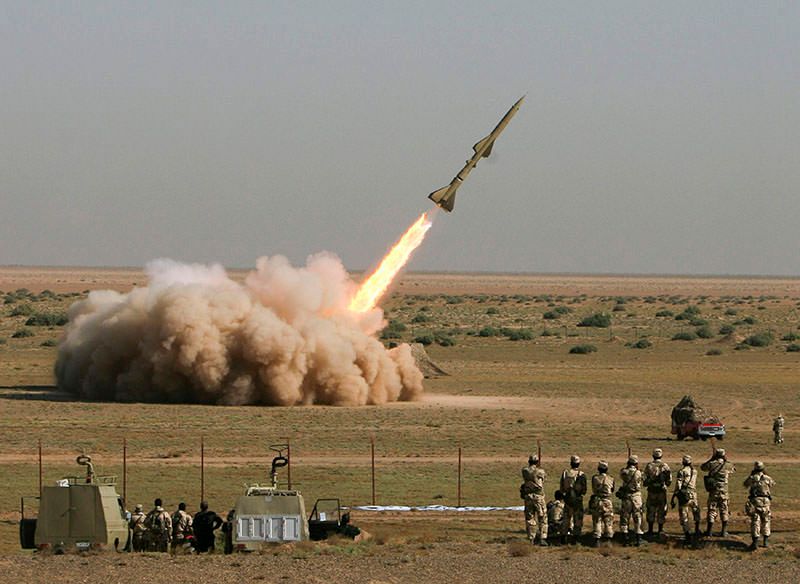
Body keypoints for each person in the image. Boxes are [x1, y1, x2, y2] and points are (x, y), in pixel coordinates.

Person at [700, 448, 735, 537]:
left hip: (714, 491)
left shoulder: (712, 464)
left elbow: (703, 467)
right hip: (724, 491)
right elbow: (733, 469)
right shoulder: (728, 465)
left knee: (712, 510)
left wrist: (711, 459)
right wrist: (726, 460)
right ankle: (724, 531)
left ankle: (709, 531)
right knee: (724, 510)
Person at [743, 461, 775, 550]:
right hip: (766, 501)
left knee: (755, 521)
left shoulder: (752, 478)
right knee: (766, 520)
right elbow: (772, 484)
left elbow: (745, 484)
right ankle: (765, 542)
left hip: (755, 501)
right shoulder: (767, 478)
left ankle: (755, 543)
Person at [671, 454, 701, 545]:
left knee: (684, 515)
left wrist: (674, 497)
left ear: (683, 462)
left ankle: (687, 534)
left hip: (684, 495)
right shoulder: (694, 471)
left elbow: (678, 485)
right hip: (693, 494)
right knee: (696, 511)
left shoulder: (682, 471)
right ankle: (697, 530)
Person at [643, 448, 672, 538]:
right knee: (661, 510)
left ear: (653, 456)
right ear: (661, 456)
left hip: (651, 491)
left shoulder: (649, 466)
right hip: (661, 491)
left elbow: (645, 479)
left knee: (651, 509)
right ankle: (660, 529)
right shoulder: (665, 466)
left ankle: (650, 530)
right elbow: (669, 480)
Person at [520, 454, 548, 545]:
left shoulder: (525, 471)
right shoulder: (540, 471)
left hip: (528, 497)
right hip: (538, 497)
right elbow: (543, 480)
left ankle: (531, 538)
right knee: (542, 517)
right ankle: (542, 538)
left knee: (530, 518)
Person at [559, 454, 587, 544]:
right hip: (577, 501)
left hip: (567, 500)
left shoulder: (565, 473)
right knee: (578, 520)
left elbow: (561, 488)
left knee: (566, 519)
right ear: (578, 464)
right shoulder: (581, 474)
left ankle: (563, 538)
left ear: (571, 463)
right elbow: (584, 490)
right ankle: (576, 539)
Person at [619, 455, 644, 546]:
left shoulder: (624, 471)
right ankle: (638, 538)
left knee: (625, 517)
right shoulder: (638, 472)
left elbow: (622, 474)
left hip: (626, 496)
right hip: (636, 496)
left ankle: (624, 537)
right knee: (637, 516)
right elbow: (642, 479)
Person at [590, 460, 615, 547]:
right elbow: (612, 489)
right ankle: (608, 540)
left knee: (597, 520)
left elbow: (593, 488)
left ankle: (597, 540)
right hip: (607, 501)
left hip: (597, 501)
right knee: (608, 520)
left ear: (598, 469)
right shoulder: (611, 478)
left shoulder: (595, 478)